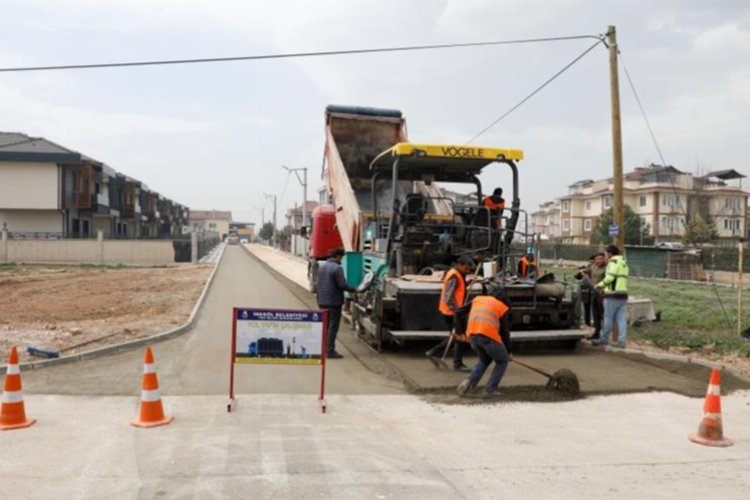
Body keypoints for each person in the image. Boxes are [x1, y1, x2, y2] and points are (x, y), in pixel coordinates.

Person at [456, 287, 512, 398]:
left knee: (484, 359)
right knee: (502, 361)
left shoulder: (477, 299)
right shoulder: (501, 306)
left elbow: (458, 312)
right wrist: (508, 352)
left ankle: (468, 382)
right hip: (488, 337)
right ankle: (490, 389)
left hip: (473, 336)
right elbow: (504, 332)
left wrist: (460, 331)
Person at [426, 255, 474, 372]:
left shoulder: (458, 275)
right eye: (466, 269)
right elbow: (448, 297)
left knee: (456, 336)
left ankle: (434, 353)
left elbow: (458, 290)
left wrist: (467, 283)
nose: (468, 271)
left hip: (453, 311)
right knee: (459, 337)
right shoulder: (454, 276)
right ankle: (457, 364)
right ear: (460, 265)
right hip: (452, 312)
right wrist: (457, 310)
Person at [316, 247, 358, 358]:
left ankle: (322, 349)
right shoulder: (337, 268)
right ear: (338, 256)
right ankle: (329, 351)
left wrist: (319, 299)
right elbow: (342, 285)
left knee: (325, 326)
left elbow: (317, 285)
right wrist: (355, 289)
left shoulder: (322, 267)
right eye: (342, 257)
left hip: (322, 301)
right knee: (332, 327)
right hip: (334, 302)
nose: (342, 260)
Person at [594, 245, 630, 348]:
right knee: (621, 319)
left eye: (606, 254)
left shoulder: (613, 262)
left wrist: (599, 286)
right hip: (623, 294)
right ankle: (622, 342)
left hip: (612, 295)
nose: (605, 256)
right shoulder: (624, 262)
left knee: (608, 318)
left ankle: (604, 339)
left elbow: (610, 277)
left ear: (609, 253)